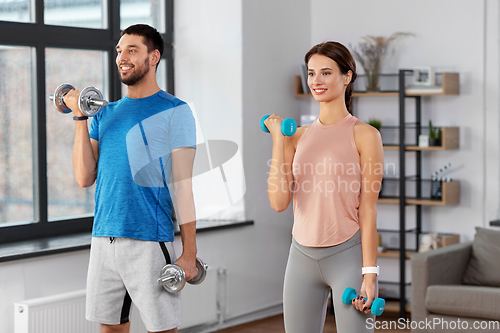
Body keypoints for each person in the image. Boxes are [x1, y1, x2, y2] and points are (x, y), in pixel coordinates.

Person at [64, 24, 197, 333]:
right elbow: (84, 176)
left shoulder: (176, 111)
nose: (122, 57)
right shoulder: (104, 113)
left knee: (162, 329)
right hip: (104, 237)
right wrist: (80, 117)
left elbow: (183, 186)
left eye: (131, 50)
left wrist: (189, 252)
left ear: (154, 58)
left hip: (149, 240)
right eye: (119, 51)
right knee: (110, 328)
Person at [265, 41, 383, 333]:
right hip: (301, 256)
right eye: (311, 73)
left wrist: (370, 275)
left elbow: (368, 210)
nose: (316, 81)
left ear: (347, 76)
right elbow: (279, 203)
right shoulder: (296, 136)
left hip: (347, 256)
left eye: (326, 73)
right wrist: (278, 141)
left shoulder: (365, 135)